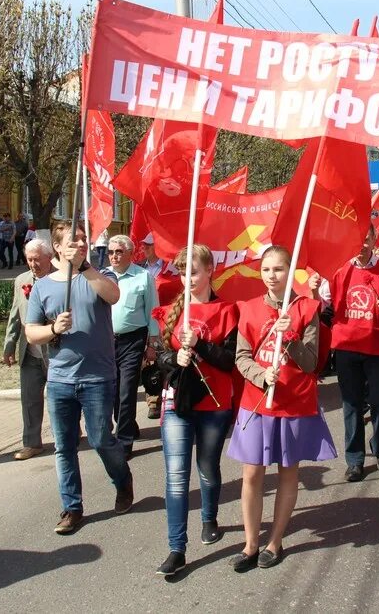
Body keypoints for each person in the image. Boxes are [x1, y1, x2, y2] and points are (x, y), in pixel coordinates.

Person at [226, 245, 336, 571]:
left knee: (288, 471)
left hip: (295, 402)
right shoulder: (248, 308)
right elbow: (241, 357)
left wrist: (290, 335)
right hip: (257, 402)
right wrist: (261, 375)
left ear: (290, 272)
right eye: (266, 270)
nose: (272, 276)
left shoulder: (306, 309)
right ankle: (250, 544)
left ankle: (274, 541)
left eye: (278, 269)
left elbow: (311, 362)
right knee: (252, 473)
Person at [25, 221, 133, 535]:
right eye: (74, 240)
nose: (81, 243)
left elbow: (113, 296)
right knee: (65, 446)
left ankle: (122, 481)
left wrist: (83, 266)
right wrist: (53, 329)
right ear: (57, 247)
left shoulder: (99, 276)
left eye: (84, 239)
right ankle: (72, 507)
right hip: (60, 379)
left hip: (98, 376)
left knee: (101, 439)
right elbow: (32, 332)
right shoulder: (43, 286)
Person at [152, 244, 239, 577]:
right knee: (176, 478)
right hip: (177, 402)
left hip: (215, 404)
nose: (187, 278)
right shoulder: (171, 312)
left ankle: (209, 517)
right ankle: (177, 548)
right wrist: (173, 359)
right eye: (182, 271)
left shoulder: (228, 311)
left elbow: (230, 361)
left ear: (209, 271)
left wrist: (199, 345)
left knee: (207, 467)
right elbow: (158, 357)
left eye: (194, 271)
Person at [313, 225, 379, 483]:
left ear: (374, 239)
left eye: (367, 237)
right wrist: (313, 289)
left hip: (375, 345)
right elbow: (320, 305)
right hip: (346, 347)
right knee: (351, 405)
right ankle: (355, 459)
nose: (361, 243)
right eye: (356, 238)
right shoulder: (337, 270)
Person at [107, 234, 161, 453]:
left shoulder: (143, 276)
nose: (114, 256)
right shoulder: (102, 276)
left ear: (130, 253)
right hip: (107, 341)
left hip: (133, 339)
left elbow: (153, 310)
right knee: (112, 390)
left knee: (127, 389)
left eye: (119, 252)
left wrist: (152, 343)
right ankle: (128, 424)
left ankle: (125, 441)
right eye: (110, 252)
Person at [3, 238, 53, 461]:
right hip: (29, 351)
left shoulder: (61, 279)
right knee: (30, 399)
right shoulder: (21, 280)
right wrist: (9, 344)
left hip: (55, 351)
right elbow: (15, 314)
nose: (33, 264)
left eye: (37, 259)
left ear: (49, 258)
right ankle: (32, 443)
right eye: (29, 260)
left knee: (61, 399)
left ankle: (69, 434)